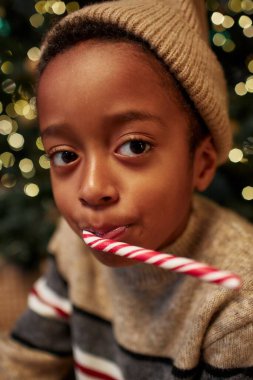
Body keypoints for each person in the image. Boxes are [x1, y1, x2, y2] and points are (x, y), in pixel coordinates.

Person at [0, 0, 252, 379]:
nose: (91, 189)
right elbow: (26, 360)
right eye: (65, 154)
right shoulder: (74, 248)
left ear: (200, 164)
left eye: (134, 146)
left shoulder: (238, 308)